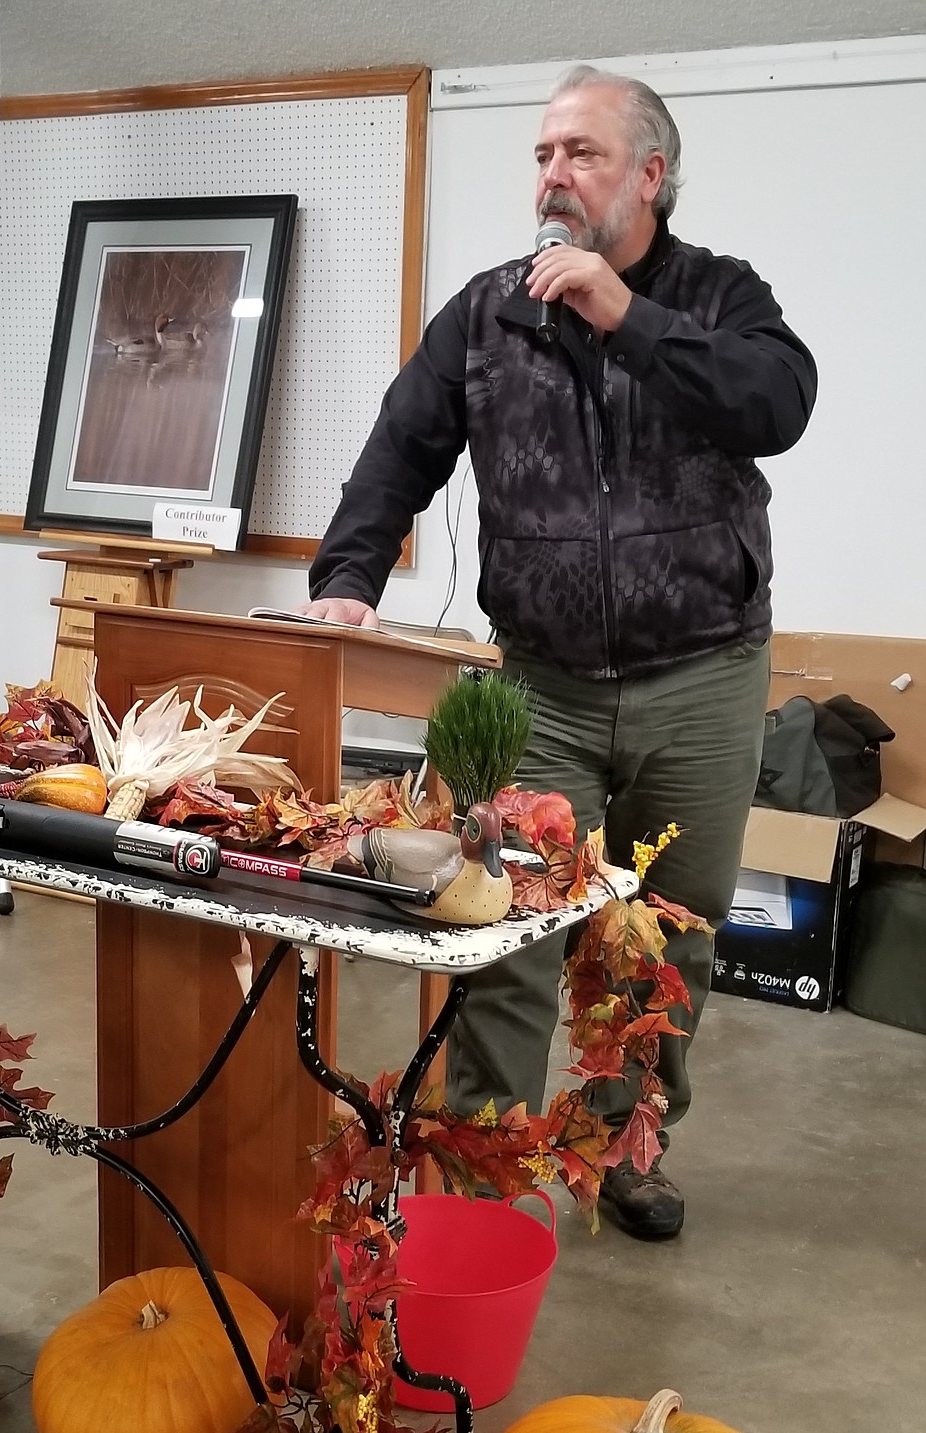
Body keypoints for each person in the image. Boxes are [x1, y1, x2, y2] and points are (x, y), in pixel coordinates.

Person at [300, 64, 817, 1240]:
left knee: (663, 945)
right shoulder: (489, 314)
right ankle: (486, 1162)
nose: (552, 175)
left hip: (703, 684)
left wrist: (625, 317)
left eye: (580, 153)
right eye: (542, 154)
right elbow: (398, 452)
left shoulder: (721, 297)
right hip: (544, 695)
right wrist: (345, 582)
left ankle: (626, 1146)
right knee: (507, 933)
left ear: (650, 175)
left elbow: (779, 403)